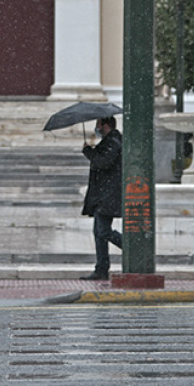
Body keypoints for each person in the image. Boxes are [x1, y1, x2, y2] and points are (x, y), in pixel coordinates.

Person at [80, 116, 123, 281]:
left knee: (103, 231)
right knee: (99, 232)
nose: (96, 128)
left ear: (106, 125)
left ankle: (132, 246)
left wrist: (89, 152)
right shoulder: (110, 141)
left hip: (108, 194)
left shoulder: (113, 142)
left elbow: (104, 163)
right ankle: (101, 269)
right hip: (104, 194)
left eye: (98, 124)